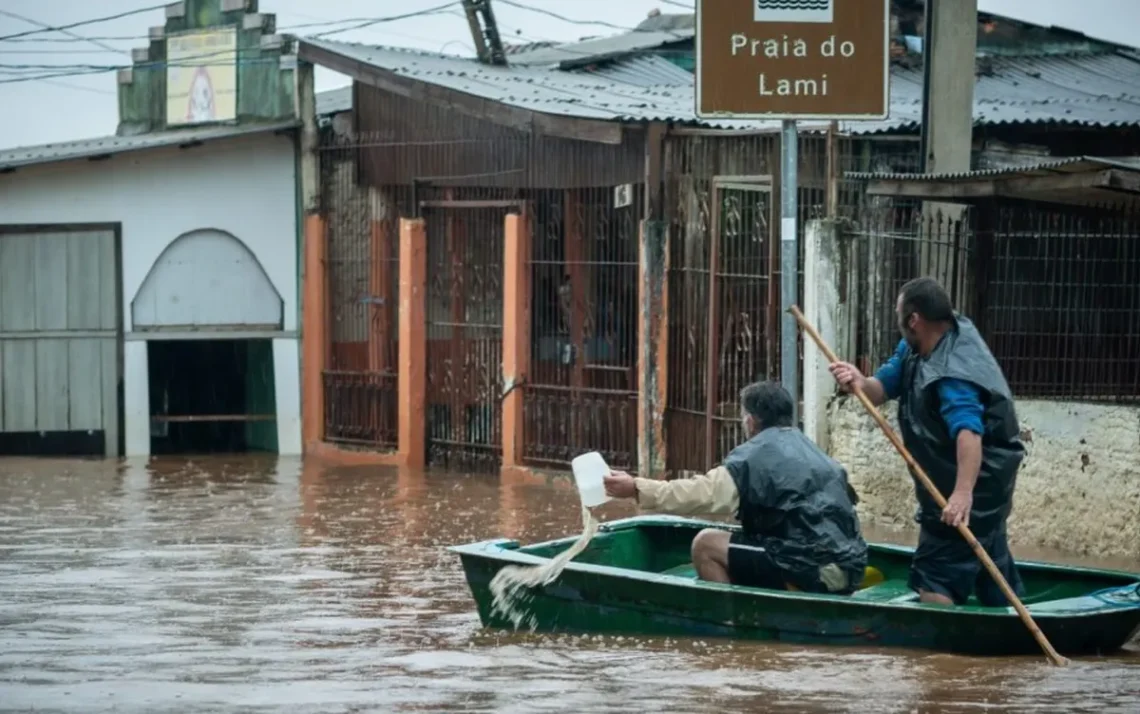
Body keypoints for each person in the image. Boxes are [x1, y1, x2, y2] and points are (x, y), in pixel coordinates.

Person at [828, 276, 1026, 608]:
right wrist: (858, 382)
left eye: (897, 311)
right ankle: (1009, 645)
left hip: (972, 488)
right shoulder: (915, 347)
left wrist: (962, 495)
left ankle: (941, 654)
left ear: (914, 319)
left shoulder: (952, 374)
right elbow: (881, 388)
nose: (896, 318)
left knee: (935, 581)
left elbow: (969, 434)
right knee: (990, 569)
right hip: (985, 492)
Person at [603, 381, 867, 595]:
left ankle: (728, 625)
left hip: (812, 571)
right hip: (852, 568)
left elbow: (697, 495)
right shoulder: (819, 455)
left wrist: (635, 487)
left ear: (750, 421)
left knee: (705, 544)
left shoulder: (752, 459)